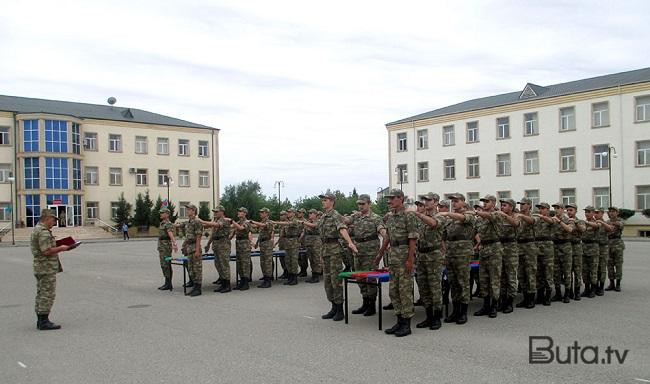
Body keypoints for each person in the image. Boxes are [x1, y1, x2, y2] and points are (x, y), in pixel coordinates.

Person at [303, 192, 357, 322]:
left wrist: (350, 242)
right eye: (322, 200)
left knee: (335, 280)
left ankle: (340, 309)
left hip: (334, 250)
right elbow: (317, 228)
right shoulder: (323, 217)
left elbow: (342, 229)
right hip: (325, 249)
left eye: (325, 200)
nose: (323, 202)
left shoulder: (335, 215)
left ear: (332, 201)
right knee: (327, 281)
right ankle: (333, 307)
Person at [375, 188, 418, 337]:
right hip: (393, 257)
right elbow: (387, 238)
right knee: (394, 291)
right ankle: (399, 321)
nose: (389, 201)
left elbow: (412, 239)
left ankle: (406, 324)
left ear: (401, 198)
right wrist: (380, 255)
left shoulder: (409, 216)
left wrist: (410, 260)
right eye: (388, 198)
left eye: (392, 198)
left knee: (405, 291)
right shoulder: (391, 217)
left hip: (404, 256)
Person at [32, 209, 73, 330]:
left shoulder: (38, 229)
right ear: (47, 218)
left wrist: (58, 244)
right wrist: (62, 248)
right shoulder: (43, 232)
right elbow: (46, 251)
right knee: (47, 294)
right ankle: (43, 322)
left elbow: (46, 247)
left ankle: (41, 320)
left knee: (41, 293)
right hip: (46, 267)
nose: (54, 222)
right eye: (53, 220)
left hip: (41, 267)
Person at [346, 194, 386, 317]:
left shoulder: (375, 217)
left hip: (370, 251)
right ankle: (365, 302)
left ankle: (372, 305)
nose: (360, 206)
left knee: (370, 277)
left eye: (363, 204)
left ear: (369, 204)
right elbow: (345, 221)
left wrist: (387, 238)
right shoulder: (356, 217)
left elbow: (381, 229)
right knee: (359, 277)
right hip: (358, 251)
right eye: (359, 204)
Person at [438, 193, 475, 325]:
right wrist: (445, 251)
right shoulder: (449, 219)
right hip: (450, 253)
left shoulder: (469, 214)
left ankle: (463, 313)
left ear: (464, 202)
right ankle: (455, 310)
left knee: (463, 282)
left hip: (463, 253)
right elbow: (443, 237)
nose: (454, 203)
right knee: (453, 283)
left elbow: (463, 218)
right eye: (452, 201)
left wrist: (447, 214)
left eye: (457, 201)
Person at [411, 192, 445, 330]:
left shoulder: (440, 216)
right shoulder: (421, 218)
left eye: (429, 200)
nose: (426, 202)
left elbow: (433, 224)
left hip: (434, 256)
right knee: (424, 288)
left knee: (435, 288)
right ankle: (428, 316)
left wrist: (419, 214)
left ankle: (436, 318)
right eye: (424, 200)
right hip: (421, 256)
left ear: (436, 202)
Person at [473, 195, 503, 318]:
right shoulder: (480, 218)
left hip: (494, 249)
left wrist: (477, 212)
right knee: (483, 279)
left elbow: (489, 216)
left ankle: (494, 306)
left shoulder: (497, 214)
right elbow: (476, 232)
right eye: (483, 202)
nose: (484, 203)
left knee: (494, 278)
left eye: (487, 202)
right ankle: (485, 306)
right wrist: (479, 243)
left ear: (493, 203)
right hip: (484, 249)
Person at [202, 206, 233, 293]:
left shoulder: (225, 220)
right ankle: (222, 283)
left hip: (223, 245)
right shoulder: (216, 221)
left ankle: (227, 285)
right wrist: (208, 244)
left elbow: (216, 225)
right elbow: (213, 234)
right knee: (218, 264)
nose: (215, 213)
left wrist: (202, 221)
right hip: (216, 244)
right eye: (214, 212)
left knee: (224, 265)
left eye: (216, 212)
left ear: (222, 212)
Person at [496, 198, 520, 313]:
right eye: (502, 205)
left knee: (511, 276)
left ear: (511, 207)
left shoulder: (516, 216)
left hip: (511, 249)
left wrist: (504, 216)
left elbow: (515, 224)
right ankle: (502, 301)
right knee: (502, 277)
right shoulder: (499, 217)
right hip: (500, 248)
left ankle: (510, 302)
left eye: (505, 205)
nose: (502, 207)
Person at [550, 203, 575, 303]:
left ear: (563, 209)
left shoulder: (569, 219)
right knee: (556, 272)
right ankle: (558, 293)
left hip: (565, 248)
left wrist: (559, 221)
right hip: (555, 247)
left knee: (567, 272)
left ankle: (567, 294)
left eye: (558, 208)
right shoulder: (553, 219)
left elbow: (570, 229)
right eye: (555, 208)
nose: (556, 210)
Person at [177, 204, 204, 296]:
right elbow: (188, 237)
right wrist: (184, 245)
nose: (187, 211)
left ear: (193, 211)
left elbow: (198, 236)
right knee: (191, 269)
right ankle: (194, 287)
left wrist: (197, 250)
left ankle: (198, 289)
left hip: (195, 248)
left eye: (188, 209)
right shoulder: (189, 222)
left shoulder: (197, 221)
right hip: (189, 248)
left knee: (197, 269)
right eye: (187, 209)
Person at [515, 198, 537, 309]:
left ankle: (531, 299)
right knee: (521, 274)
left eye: (523, 204)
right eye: (520, 204)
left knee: (530, 274)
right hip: (519, 247)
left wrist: (522, 216)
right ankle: (525, 297)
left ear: (529, 205)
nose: (521, 206)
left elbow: (532, 221)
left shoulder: (533, 215)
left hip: (529, 248)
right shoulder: (517, 216)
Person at [272, 208, 302, 285]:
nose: (288, 213)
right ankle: (290, 277)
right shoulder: (288, 221)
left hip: (294, 243)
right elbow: (283, 234)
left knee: (293, 261)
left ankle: (294, 278)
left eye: (289, 212)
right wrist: (276, 242)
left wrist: (276, 222)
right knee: (288, 261)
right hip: (287, 243)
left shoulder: (295, 220)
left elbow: (288, 224)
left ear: (294, 213)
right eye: (287, 212)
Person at [534, 202, 555, 306]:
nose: (540, 210)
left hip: (547, 250)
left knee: (548, 273)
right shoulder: (537, 220)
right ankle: (540, 295)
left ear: (547, 209)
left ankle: (548, 295)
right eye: (539, 208)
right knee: (538, 273)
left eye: (542, 208)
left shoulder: (551, 219)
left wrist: (542, 217)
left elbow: (551, 221)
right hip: (537, 248)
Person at [249, 208, 275, 288]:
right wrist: (256, 244)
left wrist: (252, 221)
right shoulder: (261, 223)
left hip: (267, 244)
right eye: (260, 212)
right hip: (262, 244)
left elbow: (264, 226)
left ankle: (268, 281)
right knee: (263, 262)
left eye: (262, 212)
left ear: (267, 213)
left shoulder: (269, 222)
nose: (260, 214)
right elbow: (260, 235)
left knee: (267, 262)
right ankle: (265, 278)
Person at [581, 206, 601, 298]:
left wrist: (586, 223)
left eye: (589, 212)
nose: (587, 213)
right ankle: (586, 288)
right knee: (585, 271)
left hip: (593, 248)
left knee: (593, 270)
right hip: (584, 248)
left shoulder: (597, 221)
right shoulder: (583, 223)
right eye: (586, 212)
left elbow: (596, 226)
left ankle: (593, 289)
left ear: (593, 213)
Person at [231, 207, 253, 290]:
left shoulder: (247, 222)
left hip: (244, 245)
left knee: (245, 264)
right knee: (239, 264)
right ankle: (242, 282)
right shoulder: (238, 222)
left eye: (240, 211)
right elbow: (232, 228)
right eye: (238, 211)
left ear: (244, 213)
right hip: (239, 244)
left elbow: (241, 228)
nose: (238, 212)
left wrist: (232, 221)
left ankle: (246, 283)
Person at [566, 204, 585, 300]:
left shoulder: (580, 221)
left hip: (577, 248)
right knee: (568, 271)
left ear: (576, 211)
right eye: (568, 210)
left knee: (577, 271)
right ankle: (569, 292)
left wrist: (576, 222)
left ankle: (577, 292)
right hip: (568, 247)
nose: (569, 212)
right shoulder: (565, 221)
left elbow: (583, 229)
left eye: (571, 210)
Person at [157, 207, 178, 291]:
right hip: (161, 245)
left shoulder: (168, 223)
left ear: (167, 214)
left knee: (166, 264)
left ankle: (169, 283)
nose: (161, 214)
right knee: (163, 264)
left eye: (162, 213)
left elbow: (170, 234)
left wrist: (174, 243)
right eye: (161, 213)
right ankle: (166, 282)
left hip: (166, 246)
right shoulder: (162, 223)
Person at [594, 208, 614, 296]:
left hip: (603, 248)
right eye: (595, 212)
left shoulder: (606, 223)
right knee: (595, 268)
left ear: (602, 213)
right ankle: (595, 286)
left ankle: (601, 287)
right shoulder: (593, 222)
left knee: (602, 268)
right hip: (594, 247)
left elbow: (610, 229)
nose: (596, 214)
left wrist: (601, 222)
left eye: (598, 213)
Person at [606, 207, 625, 292]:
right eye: (610, 211)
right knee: (609, 265)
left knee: (618, 265)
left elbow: (619, 225)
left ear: (617, 213)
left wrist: (611, 223)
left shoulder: (620, 221)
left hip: (617, 244)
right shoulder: (607, 222)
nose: (611, 213)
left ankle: (618, 284)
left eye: (613, 211)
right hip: (609, 244)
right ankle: (611, 283)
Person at [303, 209, 323, 283]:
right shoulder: (308, 222)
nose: (309, 214)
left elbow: (314, 226)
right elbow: (304, 232)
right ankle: (313, 275)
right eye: (309, 213)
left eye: (311, 213)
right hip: (309, 243)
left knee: (316, 259)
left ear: (315, 214)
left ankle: (316, 276)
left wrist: (304, 222)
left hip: (316, 242)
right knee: (311, 259)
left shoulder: (318, 221)